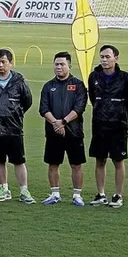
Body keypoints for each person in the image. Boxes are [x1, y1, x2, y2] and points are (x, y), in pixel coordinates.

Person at [0, 50, 35, 204]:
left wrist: (16, 113)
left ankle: (24, 190)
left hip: (14, 127)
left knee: (19, 160)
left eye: (3, 62)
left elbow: (27, 101)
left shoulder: (19, 81)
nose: (0, 65)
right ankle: (4, 189)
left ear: (11, 63)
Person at [39, 52, 88, 206]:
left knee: (76, 164)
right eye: (56, 64)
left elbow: (79, 107)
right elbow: (43, 108)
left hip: (73, 131)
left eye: (62, 64)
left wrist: (64, 122)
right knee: (53, 163)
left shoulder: (78, 85)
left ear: (69, 66)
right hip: (53, 132)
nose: (59, 67)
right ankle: (55, 194)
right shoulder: (48, 86)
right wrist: (55, 123)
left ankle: (77, 195)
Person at [87, 45, 128, 208]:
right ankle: (101, 194)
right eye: (102, 57)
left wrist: (120, 114)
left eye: (108, 57)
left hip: (118, 125)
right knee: (100, 160)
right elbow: (93, 98)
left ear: (116, 58)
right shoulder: (94, 76)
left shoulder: (126, 78)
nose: (104, 60)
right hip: (99, 125)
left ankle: (118, 195)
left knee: (118, 161)